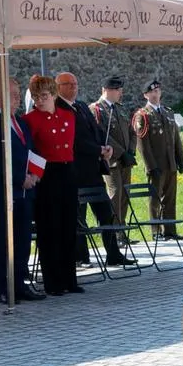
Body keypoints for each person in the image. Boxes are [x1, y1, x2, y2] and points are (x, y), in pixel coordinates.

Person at [56, 72, 135, 269]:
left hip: (93, 169)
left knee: (106, 212)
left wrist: (106, 147)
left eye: (75, 83)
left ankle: (113, 254)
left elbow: (96, 129)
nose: (73, 87)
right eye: (68, 84)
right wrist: (97, 149)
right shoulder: (58, 108)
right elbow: (74, 139)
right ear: (58, 87)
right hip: (75, 170)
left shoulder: (81, 106)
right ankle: (81, 256)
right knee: (79, 216)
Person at [0, 76, 42, 304]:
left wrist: (34, 174)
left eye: (17, 94)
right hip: (2, 192)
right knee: (3, 240)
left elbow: (30, 150)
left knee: (23, 238)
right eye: (13, 95)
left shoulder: (20, 122)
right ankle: (3, 286)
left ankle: (20, 282)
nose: (17, 98)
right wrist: (18, 178)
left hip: (25, 191)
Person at [25, 74, 83, 296]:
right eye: (37, 97)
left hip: (67, 171)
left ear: (54, 95)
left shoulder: (68, 116)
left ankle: (70, 278)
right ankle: (53, 281)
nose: (40, 101)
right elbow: (30, 151)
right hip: (47, 174)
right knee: (49, 228)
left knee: (68, 225)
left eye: (45, 96)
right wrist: (36, 173)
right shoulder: (30, 120)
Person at [133, 80, 183, 240]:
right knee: (155, 198)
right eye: (152, 92)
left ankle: (170, 230)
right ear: (146, 95)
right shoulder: (142, 115)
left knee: (170, 197)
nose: (155, 94)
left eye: (157, 91)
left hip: (170, 162)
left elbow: (175, 138)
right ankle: (156, 231)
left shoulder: (168, 112)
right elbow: (142, 143)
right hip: (156, 164)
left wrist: (181, 160)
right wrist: (150, 165)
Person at [91, 76, 137, 243]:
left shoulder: (119, 109)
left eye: (120, 89)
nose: (120, 93)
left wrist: (130, 151)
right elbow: (103, 135)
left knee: (125, 194)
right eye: (116, 90)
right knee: (115, 194)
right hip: (111, 160)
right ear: (106, 90)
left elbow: (132, 132)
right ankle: (113, 232)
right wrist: (120, 153)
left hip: (126, 160)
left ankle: (121, 230)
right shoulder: (97, 109)